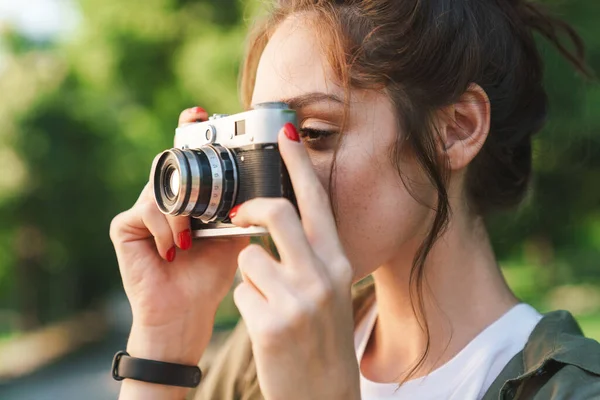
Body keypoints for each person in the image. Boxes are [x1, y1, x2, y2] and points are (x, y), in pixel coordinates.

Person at [109, 0, 600, 399]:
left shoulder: (566, 389)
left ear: (457, 129)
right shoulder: (268, 349)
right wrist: (165, 339)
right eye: (261, 144)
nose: (276, 178)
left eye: (314, 133)